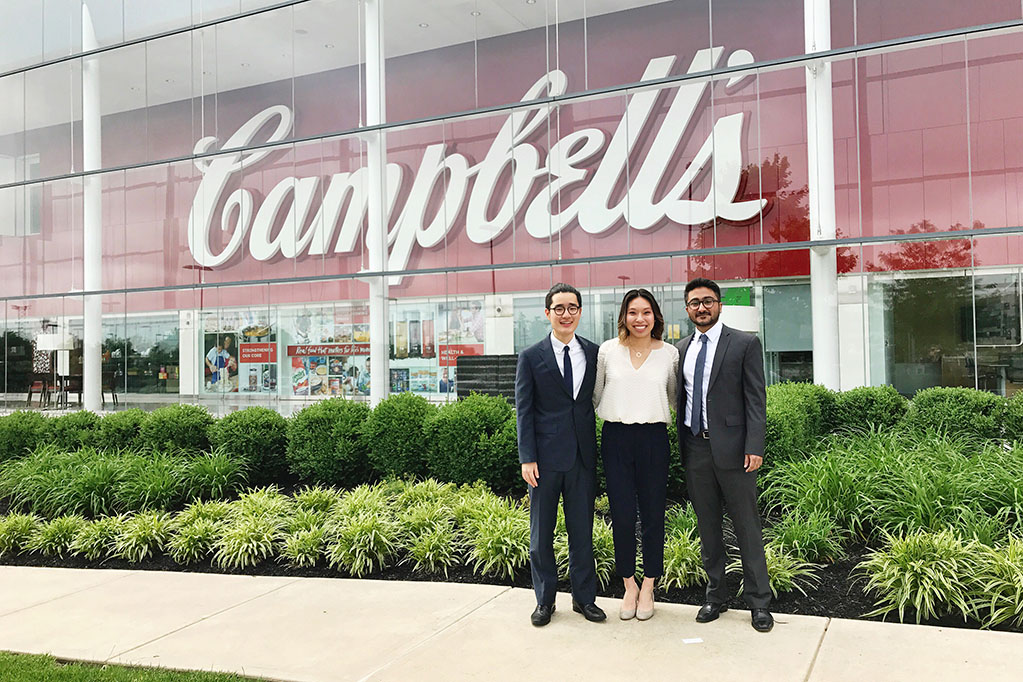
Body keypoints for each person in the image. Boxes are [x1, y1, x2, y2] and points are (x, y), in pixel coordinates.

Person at [676, 277, 773, 632]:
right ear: (687, 309)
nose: (701, 307)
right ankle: (716, 596)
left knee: (747, 526)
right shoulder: (682, 348)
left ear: (718, 304)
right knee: (708, 526)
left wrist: (754, 446)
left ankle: (759, 603)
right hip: (695, 448)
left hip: (735, 452)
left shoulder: (745, 343)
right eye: (694, 303)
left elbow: (755, 400)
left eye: (708, 301)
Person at [515, 283, 606, 627]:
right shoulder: (531, 356)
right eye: (559, 308)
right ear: (547, 313)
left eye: (572, 308)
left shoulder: (595, 353)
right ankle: (545, 601)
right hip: (544, 460)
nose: (566, 314)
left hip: (582, 458)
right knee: (541, 536)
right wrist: (527, 458)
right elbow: (524, 410)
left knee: (582, 533)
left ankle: (585, 600)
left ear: (580, 312)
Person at [593, 289, 679, 621]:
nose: (639, 319)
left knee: (654, 515)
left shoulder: (669, 354)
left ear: (655, 316)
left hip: (654, 439)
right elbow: (596, 394)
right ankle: (628, 583)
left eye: (646, 312)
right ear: (623, 316)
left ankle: (649, 584)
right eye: (632, 312)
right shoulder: (607, 351)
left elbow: (674, 398)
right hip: (615, 437)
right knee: (623, 515)